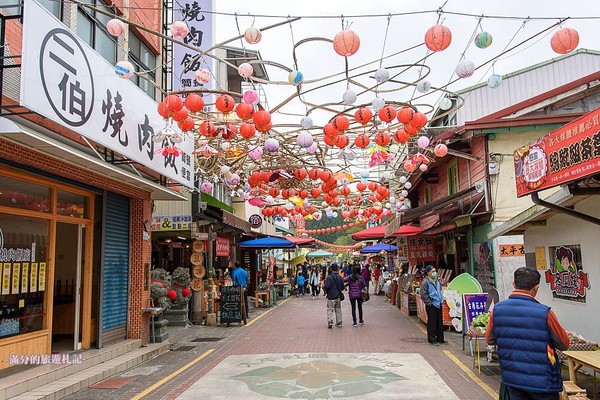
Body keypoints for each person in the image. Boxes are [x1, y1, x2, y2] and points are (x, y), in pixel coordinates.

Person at [485, 267, 570, 400]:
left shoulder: (497, 311)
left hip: (512, 379)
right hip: (543, 382)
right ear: (536, 288)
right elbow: (564, 343)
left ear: (513, 284)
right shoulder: (545, 313)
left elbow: (489, 339)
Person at [420, 265, 446, 345]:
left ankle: (440, 338)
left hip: (438, 303)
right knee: (432, 322)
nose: (435, 273)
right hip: (432, 305)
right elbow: (423, 295)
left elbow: (439, 290)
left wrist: (441, 300)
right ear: (428, 273)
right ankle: (432, 339)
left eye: (435, 271)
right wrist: (429, 303)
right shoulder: (425, 282)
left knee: (439, 322)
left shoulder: (437, 281)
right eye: (433, 271)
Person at [324, 263, 344, 328]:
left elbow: (326, 286)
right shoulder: (340, 277)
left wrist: (326, 291)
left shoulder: (329, 277)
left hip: (330, 296)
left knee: (330, 309)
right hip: (338, 296)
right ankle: (339, 322)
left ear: (331, 269)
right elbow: (342, 287)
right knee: (338, 309)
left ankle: (330, 322)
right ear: (338, 269)